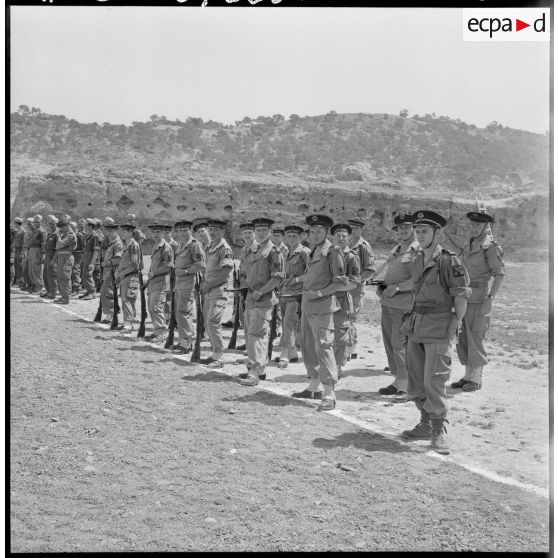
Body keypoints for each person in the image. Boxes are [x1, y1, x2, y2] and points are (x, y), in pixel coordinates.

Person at [400, 210, 470, 455]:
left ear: (436, 233)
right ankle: (425, 423)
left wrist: (456, 323)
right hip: (417, 323)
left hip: (440, 325)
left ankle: (438, 430)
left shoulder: (449, 261)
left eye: (424, 231)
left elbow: (460, 296)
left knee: (435, 378)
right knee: (416, 377)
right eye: (417, 231)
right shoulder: (417, 257)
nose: (419, 236)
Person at [292, 214, 347, 412]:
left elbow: (341, 281)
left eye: (319, 232)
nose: (315, 235)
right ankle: (313, 385)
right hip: (308, 304)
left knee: (324, 347)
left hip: (322, 306)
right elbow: (311, 274)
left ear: (326, 233)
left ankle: (329, 392)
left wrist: (321, 293)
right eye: (312, 231)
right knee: (307, 346)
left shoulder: (333, 252)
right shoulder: (313, 251)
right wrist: (297, 280)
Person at [450, 211, 505, 392]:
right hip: (463, 296)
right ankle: (467, 375)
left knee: (475, 336)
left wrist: (490, 298)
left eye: (478, 225)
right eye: (472, 225)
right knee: (462, 336)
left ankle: (476, 378)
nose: (474, 228)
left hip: (479, 297)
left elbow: (499, 274)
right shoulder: (469, 243)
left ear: (485, 227)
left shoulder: (490, 247)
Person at [376, 214, 420, 398]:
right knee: (390, 343)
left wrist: (398, 288)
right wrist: (383, 286)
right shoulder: (397, 248)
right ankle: (398, 380)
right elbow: (392, 274)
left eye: (407, 228)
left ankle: (407, 384)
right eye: (400, 228)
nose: (403, 231)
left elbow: (418, 280)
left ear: (414, 230)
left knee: (400, 344)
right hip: (388, 304)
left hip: (403, 305)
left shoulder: (417, 250)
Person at [237, 217, 284, 386]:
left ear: (270, 232)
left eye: (264, 230)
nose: (261, 233)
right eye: (258, 230)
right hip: (250, 297)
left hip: (263, 297)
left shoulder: (274, 251)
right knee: (251, 334)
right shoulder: (253, 250)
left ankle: (255, 372)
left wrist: (261, 291)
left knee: (257, 335)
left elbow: (277, 278)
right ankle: (257, 368)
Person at [200, 218, 234, 368]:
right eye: (211, 229)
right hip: (209, 290)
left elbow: (224, 274)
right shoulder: (210, 247)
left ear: (222, 231)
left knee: (213, 322)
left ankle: (219, 356)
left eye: (216, 230)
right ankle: (215, 353)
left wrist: (207, 285)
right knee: (208, 323)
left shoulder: (224, 249)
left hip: (219, 290)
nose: (212, 232)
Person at [276, 224, 310, 368]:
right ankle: (293, 352)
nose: (291, 238)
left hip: (297, 294)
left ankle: (284, 354)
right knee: (287, 322)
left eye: (294, 236)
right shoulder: (285, 252)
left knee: (289, 323)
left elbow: (311, 273)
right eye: (289, 236)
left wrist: (296, 280)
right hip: (284, 293)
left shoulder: (304, 252)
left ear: (301, 237)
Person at [330, 223, 361, 378]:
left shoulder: (351, 257)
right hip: (325, 300)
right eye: (338, 236)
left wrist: (332, 289)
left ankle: (337, 367)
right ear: (332, 238)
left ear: (349, 238)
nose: (341, 238)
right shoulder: (327, 254)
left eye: (344, 236)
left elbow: (354, 282)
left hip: (341, 300)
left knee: (340, 336)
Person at [171, 220, 206, 354]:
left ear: (190, 230)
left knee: (184, 312)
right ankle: (183, 340)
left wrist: (185, 271)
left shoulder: (194, 245)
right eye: (179, 231)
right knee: (179, 313)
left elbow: (201, 264)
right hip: (179, 284)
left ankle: (187, 343)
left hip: (188, 283)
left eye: (184, 230)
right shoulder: (180, 245)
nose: (181, 233)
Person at [347, 218, 376, 359]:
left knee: (351, 317)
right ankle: (351, 346)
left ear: (361, 229)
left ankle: (351, 347)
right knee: (345, 316)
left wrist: (355, 281)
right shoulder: (346, 243)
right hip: (344, 287)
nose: (353, 231)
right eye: (351, 228)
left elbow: (370, 270)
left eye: (356, 228)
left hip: (356, 288)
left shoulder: (364, 246)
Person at [145, 224, 174, 343]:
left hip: (161, 282)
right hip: (153, 282)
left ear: (162, 233)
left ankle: (162, 333)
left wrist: (154, 273)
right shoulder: (156, 246)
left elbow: (169, 266)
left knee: (156, 307)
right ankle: (157, 331)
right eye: (154, 232)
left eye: (158, 232)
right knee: (151, 308)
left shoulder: (166, 247)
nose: (155, 234)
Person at [117, 223, 141, 332]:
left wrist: (123, 273)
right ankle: (127, 322)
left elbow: (134, 264)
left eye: (125, 231)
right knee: (125, 299)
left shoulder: (133, 246)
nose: (122, 233)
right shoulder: (126, 245)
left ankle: (129, 324)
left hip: (130, 276)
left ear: (131, 232)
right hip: (125, 275)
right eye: (122, 230)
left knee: (127, 299)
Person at [99, 223, 123, 324]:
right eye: (108, 231)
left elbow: (118, 259)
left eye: (111, 231)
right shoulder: (111, 243)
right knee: (108, 292)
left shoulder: (118, 243)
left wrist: (106, 263)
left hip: (112, 272)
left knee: (106, 292)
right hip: (107, 271)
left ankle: (109, 316)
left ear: (116, 231)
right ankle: (112, 313)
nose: (109, 233)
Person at [54, 215, 77, 305]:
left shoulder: (71, 234)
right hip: (61, 257)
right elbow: (57, 246)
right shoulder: (64, 234)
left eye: (62, 227)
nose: (60, 229)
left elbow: (60, 244)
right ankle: (63, 296)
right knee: (60, 277)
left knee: (65, 277)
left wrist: (59, 237)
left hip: (67, 257)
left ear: (67, 225)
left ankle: (66, 298)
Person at [79, 218, 101, 300]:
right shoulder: (87, 235)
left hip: (90, 256)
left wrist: (92, 262)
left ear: (91, 226)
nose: (86, 226)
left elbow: (95, 251)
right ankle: (88, 291)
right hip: (85, 255)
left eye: (87, 225)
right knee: (83, 274)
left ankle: (92, 292)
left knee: (88, 274)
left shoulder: (95, 236)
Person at [41, 216, 59, 299]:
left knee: (52, 275)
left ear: (56, 224)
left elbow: (57, 249)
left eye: (53, 224)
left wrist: (53, 259)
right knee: (45, 275)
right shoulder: (49, 233)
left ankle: (53, 293)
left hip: (53, 256)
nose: (51, 225)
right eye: (50, 223)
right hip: (47, 255)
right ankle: (48, 291)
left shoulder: (57, 234)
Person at [28, 214, 47, 294]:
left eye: (37, 221)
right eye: (35, 221)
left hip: (38, 250)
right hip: (32, 250)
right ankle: (35, 285)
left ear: (40, 222)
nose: (36, 223)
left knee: (38, 270)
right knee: (32, 269)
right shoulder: (34, 230)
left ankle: (39, 287)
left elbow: (43, 243)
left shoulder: (41, 231)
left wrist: (42, 255)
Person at [71, 218, 86, 295]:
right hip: (72, 254)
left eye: (72, 226)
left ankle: (76, 288)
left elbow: (83, 246)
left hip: (78, 254)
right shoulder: (71, 235)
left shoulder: (78, 235)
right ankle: (72, 287)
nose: (71, 228)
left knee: (75, 270)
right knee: (71, 271)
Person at [92, 218, 105, 293]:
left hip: (97, 255)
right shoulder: (96, 233)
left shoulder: (98, 234)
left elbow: (98, 246)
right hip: (96, 255)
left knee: (96, 272)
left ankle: (99, 287)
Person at [13, 217, 25, 286]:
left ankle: (21, 282)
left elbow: (23, 243)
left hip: (20, 250)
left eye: (15, 222)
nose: (14, 224)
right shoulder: (16, 231)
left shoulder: (23, 231)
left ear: (17, 223)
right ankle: (16, 281)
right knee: (15, 265)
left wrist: (22, 252)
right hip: (16, 249)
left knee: (20, 266)